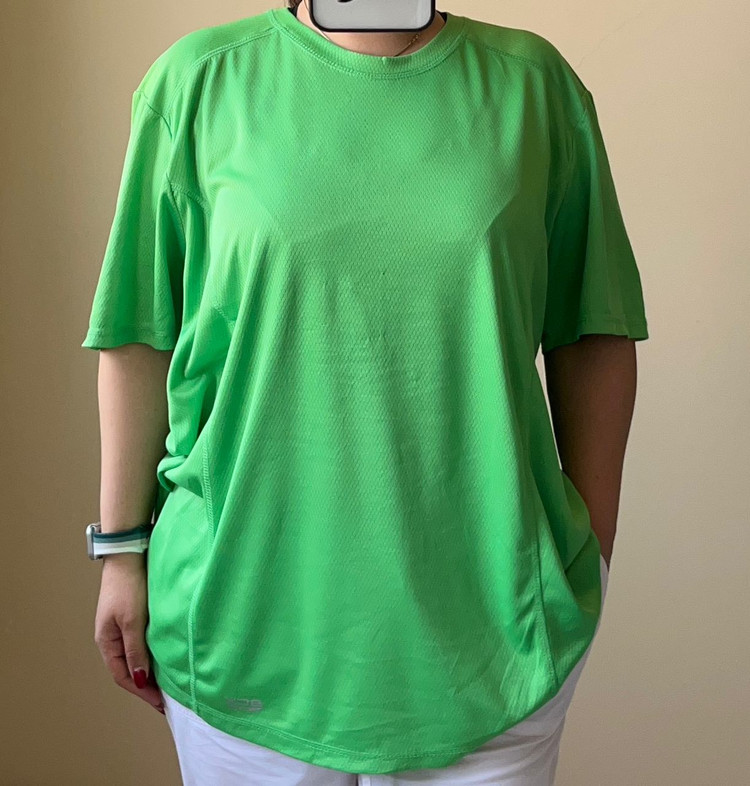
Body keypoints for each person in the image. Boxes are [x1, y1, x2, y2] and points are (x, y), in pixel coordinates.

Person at [83, 0, 648, 783]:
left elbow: (593, 332)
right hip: (242, 617)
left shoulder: (534, 87)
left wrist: (590, 556)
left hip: (493, 631)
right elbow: (140, 337)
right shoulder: (198, 82)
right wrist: (120, 553)